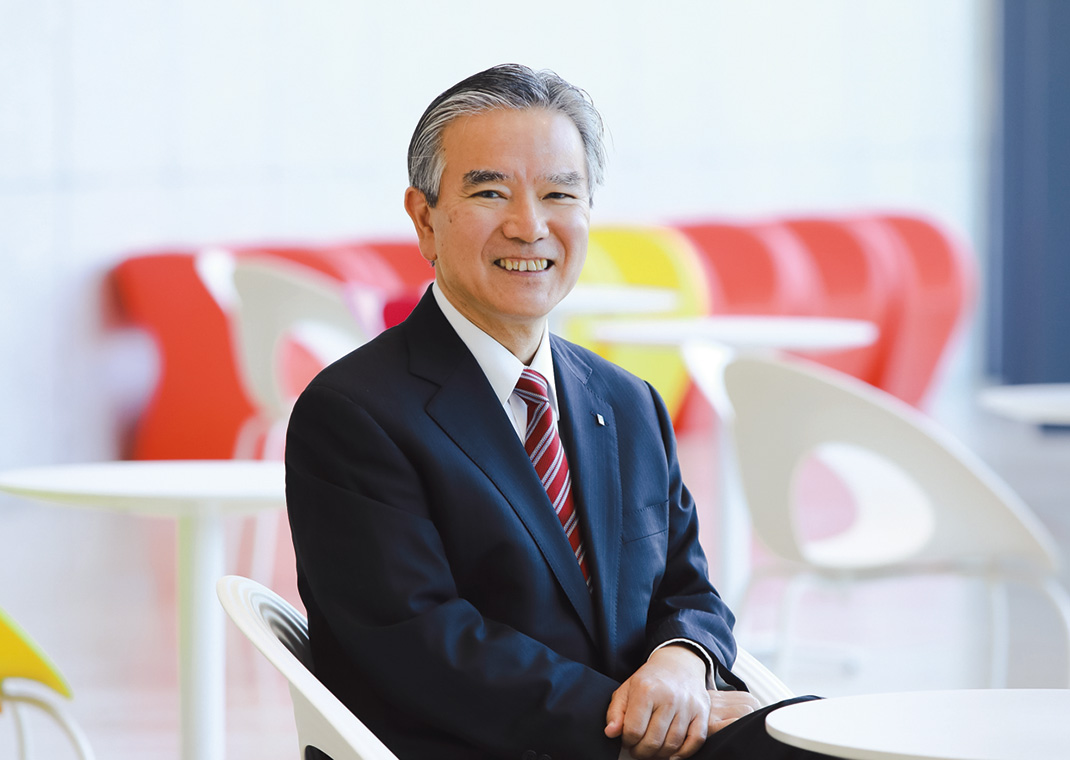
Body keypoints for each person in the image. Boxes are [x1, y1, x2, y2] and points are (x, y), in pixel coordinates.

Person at [286, 63, 829, 760]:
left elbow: (687, 588)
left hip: (648, 739)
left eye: (559, 194)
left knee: (834, 736)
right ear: (425, 219)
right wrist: (639, 720)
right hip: (490, 748)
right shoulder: (354, 414)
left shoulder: (628, 401)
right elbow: (423, 646)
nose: (529, 226)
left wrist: (682, 662)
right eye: (490, 192)